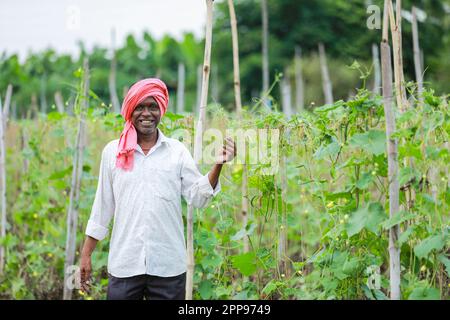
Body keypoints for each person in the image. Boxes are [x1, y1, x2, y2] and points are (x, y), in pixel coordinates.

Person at [79, 78, 236, 300]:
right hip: (125, 263)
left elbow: (199, 197)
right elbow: (102, 208)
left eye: (152, 107)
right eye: (140, 107)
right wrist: (86, 255)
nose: (146, 113)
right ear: (130, 111)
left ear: (160, 110)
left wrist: (218, 164)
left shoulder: (177, 152)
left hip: (168, 266)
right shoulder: (112, 152)